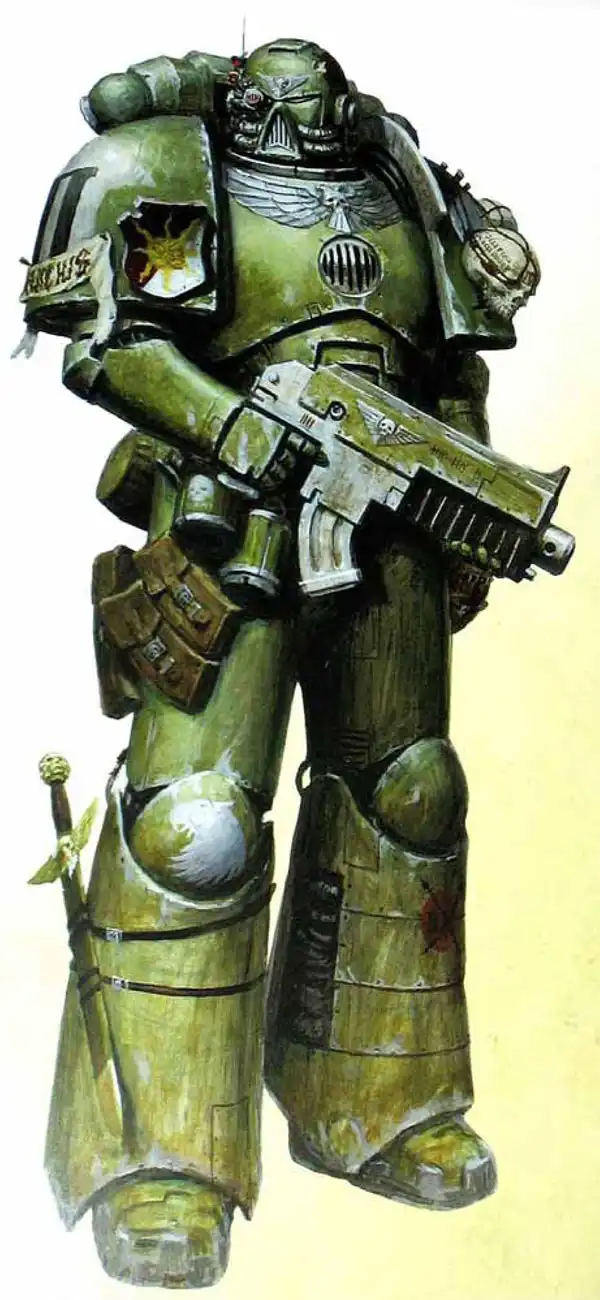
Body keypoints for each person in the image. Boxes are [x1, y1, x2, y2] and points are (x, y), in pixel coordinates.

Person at [19, 37, 541, 1289]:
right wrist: (228, 423)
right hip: (226, 524)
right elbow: (106, 344)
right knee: (193, 827)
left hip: (394, 527)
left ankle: (380, 1100)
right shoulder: (167, 161)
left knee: (413, 790)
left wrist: (465, 490)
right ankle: (161, 1158)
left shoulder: (400, 173)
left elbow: (450, 360)